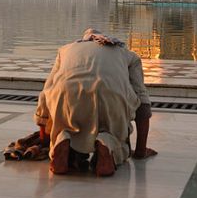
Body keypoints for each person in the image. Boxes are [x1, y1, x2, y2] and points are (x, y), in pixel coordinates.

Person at [35, 28, 157, 176]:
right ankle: (107, 143)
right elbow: (143, 104)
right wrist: (140, 151)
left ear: (84, 40)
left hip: (66, 98)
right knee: (118, 139)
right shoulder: (128, 55)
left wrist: (46, 141)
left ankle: (62, 139)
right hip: (110, 97)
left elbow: (45, 93)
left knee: (63, 127)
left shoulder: (66, 50)